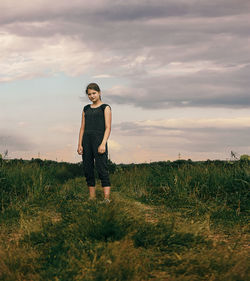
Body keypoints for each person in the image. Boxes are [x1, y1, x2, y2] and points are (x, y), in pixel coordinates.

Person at [77, 82, 112, 203]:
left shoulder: (105, 107)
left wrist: (103, 143)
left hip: (99, 141)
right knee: (88, 169)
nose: (92, 96)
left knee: (102, 168)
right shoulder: (86, 109)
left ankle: (106, 198)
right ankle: (92, 197)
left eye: (94, 93)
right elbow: (82, 128)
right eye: (89, 94)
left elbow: (108, 127)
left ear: (99, 93)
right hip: (86, 141)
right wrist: (79, 144)